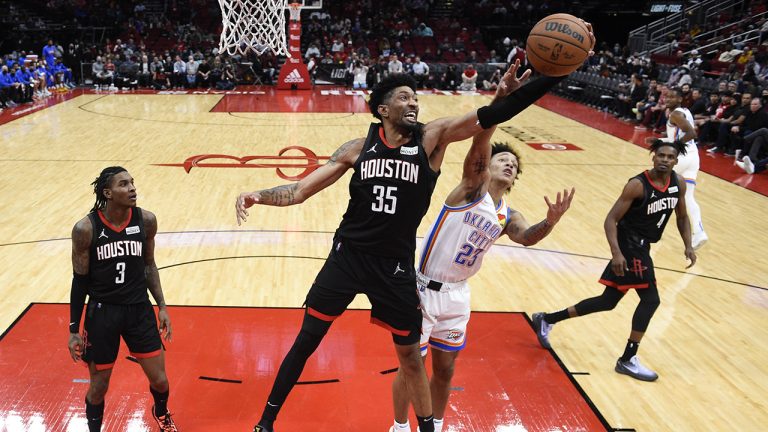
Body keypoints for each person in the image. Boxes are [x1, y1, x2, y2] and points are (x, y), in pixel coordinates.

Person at [236, 61, 578, 432]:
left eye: (415, 98)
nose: (413, 103)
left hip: (395, 267)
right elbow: (300, 190)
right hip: (347, 258)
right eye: (404, 98)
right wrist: (258, 195)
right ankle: (266, 422)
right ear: (383, 109)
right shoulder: (357, 149)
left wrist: (551, 76)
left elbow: (492, 116)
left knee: (412, 359)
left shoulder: (431, 139)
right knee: (306, 341)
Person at [389, 114, 575, 431]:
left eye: (513, 165)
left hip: (458, 294)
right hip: (423, 289)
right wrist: (498, 111)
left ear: (514, 180)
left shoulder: (508, 215)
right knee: (412, 367)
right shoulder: (471, 190)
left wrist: (550, 222)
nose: (509, 165)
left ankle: (436, 425)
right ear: (487, 165)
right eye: (502, 160)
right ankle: (400, 426)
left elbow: (526, 237)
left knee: (445, 369)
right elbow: (480, 142)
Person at [532, 139, 697, 382]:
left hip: (643, 246)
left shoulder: (678, 183)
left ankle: (546, 319)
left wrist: (688, 245)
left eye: (669, 157)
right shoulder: (637, 185)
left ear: (675, 161)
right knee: (651, 300)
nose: (664, 160)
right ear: (653, 157)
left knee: (607, 301)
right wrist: (616, 253)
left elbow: (682, 217)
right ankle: (627, 359)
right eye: (660, 155)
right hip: (630, 246)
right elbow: (611, 219)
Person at [68, 167, 178, 431]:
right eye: (124, 184)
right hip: (102, 314)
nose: (132, 188)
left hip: (139, 309)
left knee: (160, 380)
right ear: (108, 193)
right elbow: (79, 281)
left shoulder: (146, 220)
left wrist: (162, 306)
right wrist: (73, 329)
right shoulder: (86, 229)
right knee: (99, 387)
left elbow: (149, 265)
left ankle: (161, 412)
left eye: (132, 183)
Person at [662, 86, 708, 250]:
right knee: (688, 197)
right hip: (693, 157)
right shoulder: (685, 111)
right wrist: (661, 141)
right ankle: (699, 233)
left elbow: (691, 133)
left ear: (680, 99)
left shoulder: (675, 114)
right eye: (667, 96)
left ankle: (651, 226)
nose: (668, 99)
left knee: (659, 189)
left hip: (681, 157)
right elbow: (680, 136)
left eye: (672, 97)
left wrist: (674, 147)